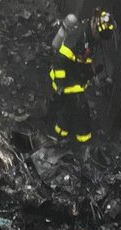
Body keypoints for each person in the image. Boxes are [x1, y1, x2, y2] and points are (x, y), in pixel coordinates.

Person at [49, 8, 116, 145]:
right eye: (100, 36)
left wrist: (91, 74)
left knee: (68, 108)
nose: (100, 40)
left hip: (75, 76)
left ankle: (59, 136)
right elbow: (60, 61)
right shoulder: (78, 36)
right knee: (81, 108)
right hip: (64, 77)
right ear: (96, 29)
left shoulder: (91, 37)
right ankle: (85, 143)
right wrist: (61, 84)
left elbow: (84, 60)